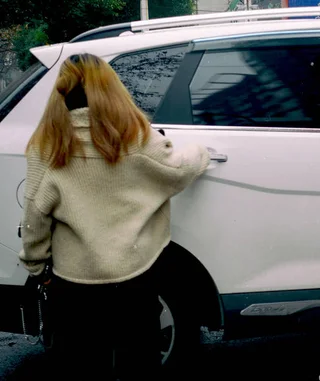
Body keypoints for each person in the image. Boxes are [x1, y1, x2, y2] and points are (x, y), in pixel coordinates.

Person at [18, 53, 211, 381]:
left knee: (82, 370)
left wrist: (37, 267)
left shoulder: (46, 145)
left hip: (74, 285)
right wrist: (202, 152)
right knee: (140, 366)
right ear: (111, 87)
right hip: (135, 278)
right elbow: (179, 169)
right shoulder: (135, 136)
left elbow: (35, 216)